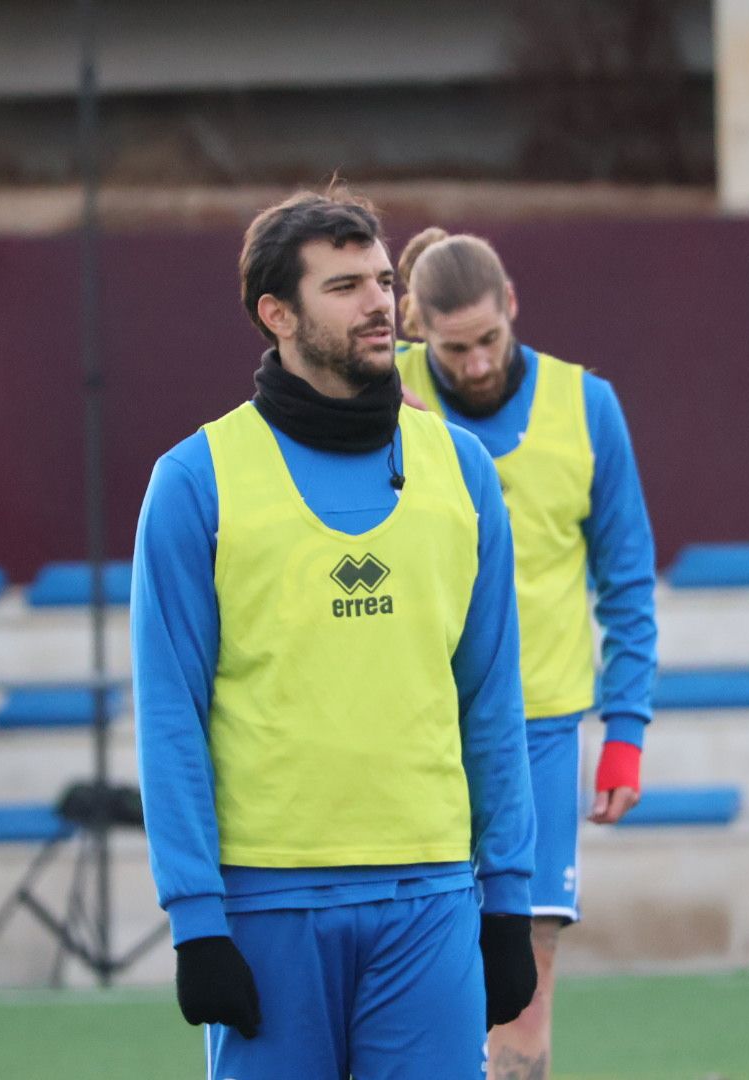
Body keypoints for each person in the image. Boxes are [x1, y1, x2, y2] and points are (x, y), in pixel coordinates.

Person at [132, 188, 538, 1079]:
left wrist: (509, 899)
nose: (379, 304)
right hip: (266, 907)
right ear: (276, 314)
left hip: (430, 897)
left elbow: (492, 699)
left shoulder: (463, 473)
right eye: (345, 285)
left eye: (384, 280)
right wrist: (196, 920)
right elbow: (170, 718)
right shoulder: (194, 483)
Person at [396, 229, 659, 1079]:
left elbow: (627, 578)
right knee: (409, 951)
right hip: (412, 724)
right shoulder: (384, 395)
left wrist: (626, 727)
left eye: (487, 341)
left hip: (539, 725)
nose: (474, 365)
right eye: (452, 347)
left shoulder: (587, 407)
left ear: (512, 304)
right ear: (414, 330)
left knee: (526, 955)